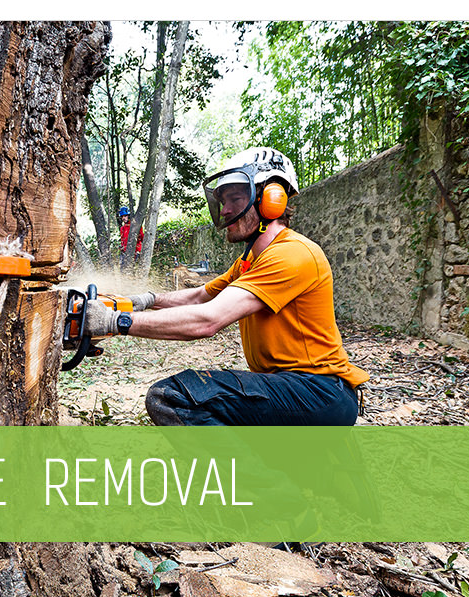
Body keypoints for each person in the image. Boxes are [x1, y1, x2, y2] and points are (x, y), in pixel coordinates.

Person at [84, 147, 368, 427]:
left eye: (235, 197)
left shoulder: (293, 254)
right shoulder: (250, 260)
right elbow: (198, 297)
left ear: (272, 199)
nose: (226, 209)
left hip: (319, 393)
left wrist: (112, 321)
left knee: (173, 397)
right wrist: (140, 300)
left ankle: (256, 474)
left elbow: (208, 320)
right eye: (223, 200)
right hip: (290, 388)